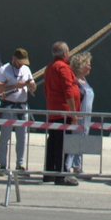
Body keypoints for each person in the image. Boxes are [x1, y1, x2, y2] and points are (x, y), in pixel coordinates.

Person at [43, 42, 82, 184]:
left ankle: (49, 172)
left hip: (53, 110)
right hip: (64, 111)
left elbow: (46, 89)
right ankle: (61, 174)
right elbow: (68, 90)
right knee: (62, 143)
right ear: (65, 53)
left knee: (53, 141)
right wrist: (73, 112)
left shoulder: (49, 67)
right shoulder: (63, 67)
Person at [0, 48, 34, 173]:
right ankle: (2, 164)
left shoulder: (26, 70)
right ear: (13, 59)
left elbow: (32, 87)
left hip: (22, 106)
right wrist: (15, 86)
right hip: (8, 106)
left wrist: (32, 86)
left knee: (22, 137)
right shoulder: (3, 70)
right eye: (20, 62)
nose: (21, 65)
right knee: (5, 136)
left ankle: (20, 163)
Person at [64, 52, 94, 174]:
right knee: (74, 141)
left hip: (87, 118)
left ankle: (77, 166)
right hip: (79, 116)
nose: (90, 67)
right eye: (88, 64)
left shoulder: (84, 80)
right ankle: (67, 166)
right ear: (81, 66)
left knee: (82, 142)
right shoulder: (75, 81)